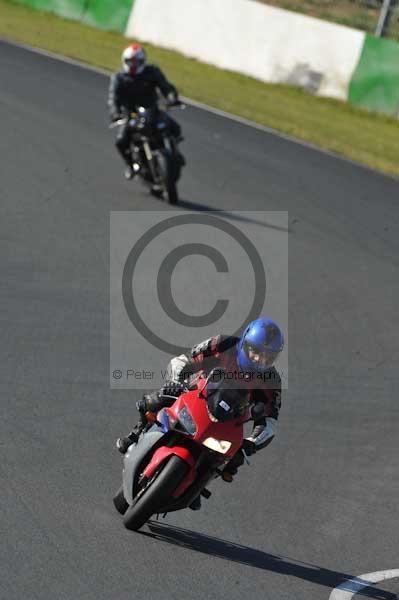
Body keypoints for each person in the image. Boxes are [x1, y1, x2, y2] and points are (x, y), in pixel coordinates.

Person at [116, 318, 284, 509]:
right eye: (255, 352)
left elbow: (270, 421)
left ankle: (200, 482)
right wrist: (175, 381)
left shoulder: (271, 379)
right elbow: (183, 360)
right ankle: (136, 432)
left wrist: (252, 443)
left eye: (267, 357)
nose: (259, 360)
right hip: (196, 394)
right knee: (158, 399)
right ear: (245, 342)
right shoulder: (223, 344)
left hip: (229, 420)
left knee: (231, 459)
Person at [108, 43, 184, 179]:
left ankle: (175, 153)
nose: (133, 65)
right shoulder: (119, 78)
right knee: (120, 141)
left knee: (175, 128)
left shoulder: (152, 72)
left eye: (136, 62)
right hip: (131, 114)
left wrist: (172, 98)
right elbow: (113, 98)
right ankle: (131, 165)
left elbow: (166, 87)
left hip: (151, 110)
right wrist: (115, 113)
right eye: (130, 62)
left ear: (142, 61)